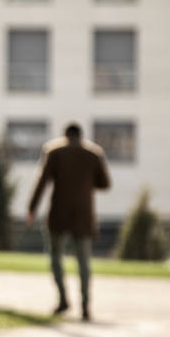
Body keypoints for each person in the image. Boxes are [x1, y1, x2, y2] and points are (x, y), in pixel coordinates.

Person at [25, 122, 112, 320]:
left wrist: (31, 209)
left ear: (65, 135)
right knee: (84, 262)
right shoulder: (93, 154)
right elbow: (105, 183)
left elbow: (42, 182)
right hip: (84, 215)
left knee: (56, 258)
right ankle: (85, 305)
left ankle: (63, 299)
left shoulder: (54, 152)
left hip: (59, 213)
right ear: (81, 135)